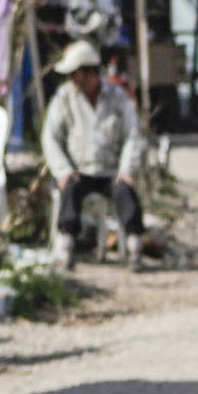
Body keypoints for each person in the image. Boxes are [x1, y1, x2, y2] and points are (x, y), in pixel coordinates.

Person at [42, 40, 146, 271]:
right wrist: (64, 170)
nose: (74, 81)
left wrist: (126, 169)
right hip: (78, 171)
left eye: (77, 74)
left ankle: (134, 249)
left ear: (91, 73)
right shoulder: (63, 98)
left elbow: (133, 135)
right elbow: (51, 138)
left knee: (126, 194)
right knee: (69, 193)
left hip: (110, 171)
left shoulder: (117, 97)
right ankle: (65, 250)